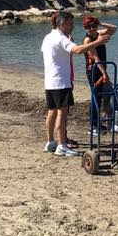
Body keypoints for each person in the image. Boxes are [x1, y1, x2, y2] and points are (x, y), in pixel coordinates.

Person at [41, 11, 111, 157]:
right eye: (70, 24)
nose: (72, 27)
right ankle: (61, 145)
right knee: (62, 114)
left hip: (50, 82)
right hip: (61, 82)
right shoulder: (61, 38)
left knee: (52, 112)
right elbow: (78, 50)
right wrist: (97, 42)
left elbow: (57, 54)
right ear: (62, 24)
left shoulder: (48, 37)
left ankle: (50, 141)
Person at [82, 15, 117, 137]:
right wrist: (104, 73)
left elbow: (114, 29)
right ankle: (92, 125)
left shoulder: (99, 34)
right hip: (93, 71)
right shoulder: (87, 40)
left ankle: (97, 123)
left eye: (94, 26)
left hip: (102, 69)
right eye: (89, 27)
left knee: (100, 97)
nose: (92, 29)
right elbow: (95, 58)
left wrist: (100, 23)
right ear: (86, 28)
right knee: (95, 97)